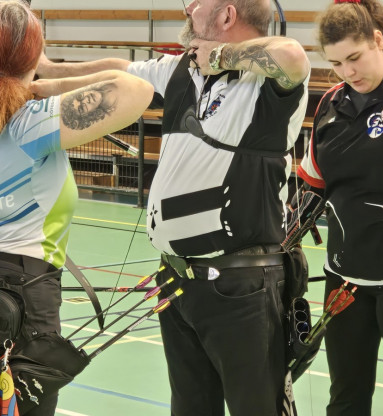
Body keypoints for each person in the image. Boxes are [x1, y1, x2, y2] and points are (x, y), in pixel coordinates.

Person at [37, 0, 311, 414]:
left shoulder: (265, 81)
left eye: (197, 2)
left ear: (227, 15)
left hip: (242, 287)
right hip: (177, 281)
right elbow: (116, 72)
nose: (189, 9)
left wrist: (219, 56)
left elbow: (292, 56)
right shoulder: (181, 69)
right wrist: (44, 75)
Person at [0, 1, 154, 415]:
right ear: (32, 56)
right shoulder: (30, 123)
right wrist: (48, 81)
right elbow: (136, 89)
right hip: (23, 290)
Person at [296, 0, 383, 415]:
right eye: (336, 63)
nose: (348, 71)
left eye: (355, 57)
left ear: (378, 40)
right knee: (345, 399)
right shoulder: (331, 103)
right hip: (345, 280)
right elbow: (313, 184)